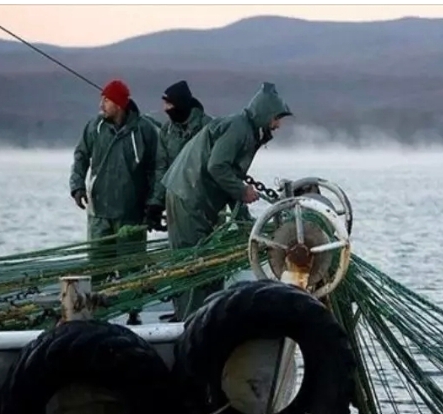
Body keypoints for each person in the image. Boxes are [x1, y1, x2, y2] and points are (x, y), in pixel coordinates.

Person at [161, 81, 292, 321]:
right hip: (187, 195)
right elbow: (217, 166)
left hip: (195, 196)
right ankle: (190, 320)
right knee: (192, 261)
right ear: (264, 114)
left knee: (206, 260)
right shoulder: (239, 129)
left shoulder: (247, 131)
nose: (278, 124)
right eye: (276, 117)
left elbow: (230, 174)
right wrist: (243, 191)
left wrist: (246, 224)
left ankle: (204, 316)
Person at [69, 78, 160, 324]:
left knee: (132, 266)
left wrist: (154, 202)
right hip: (99, 212)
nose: (102, 104)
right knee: (98, 266)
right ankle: (97, 316)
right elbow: (81, 156)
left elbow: (157, 168)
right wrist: (76, 185)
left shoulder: (145, 131)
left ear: (119, 104)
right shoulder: (94, 128)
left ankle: (133, 312)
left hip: (130, 212)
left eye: (107, 100)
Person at [149, 80, 213, 232]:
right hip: (176, 204)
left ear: (181, 104)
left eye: (169, 105)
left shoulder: (208, 128)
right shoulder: (167, 131)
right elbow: (162, 169)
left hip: (207, 205)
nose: (165, 109)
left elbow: (218, 166)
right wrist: (156, 204)